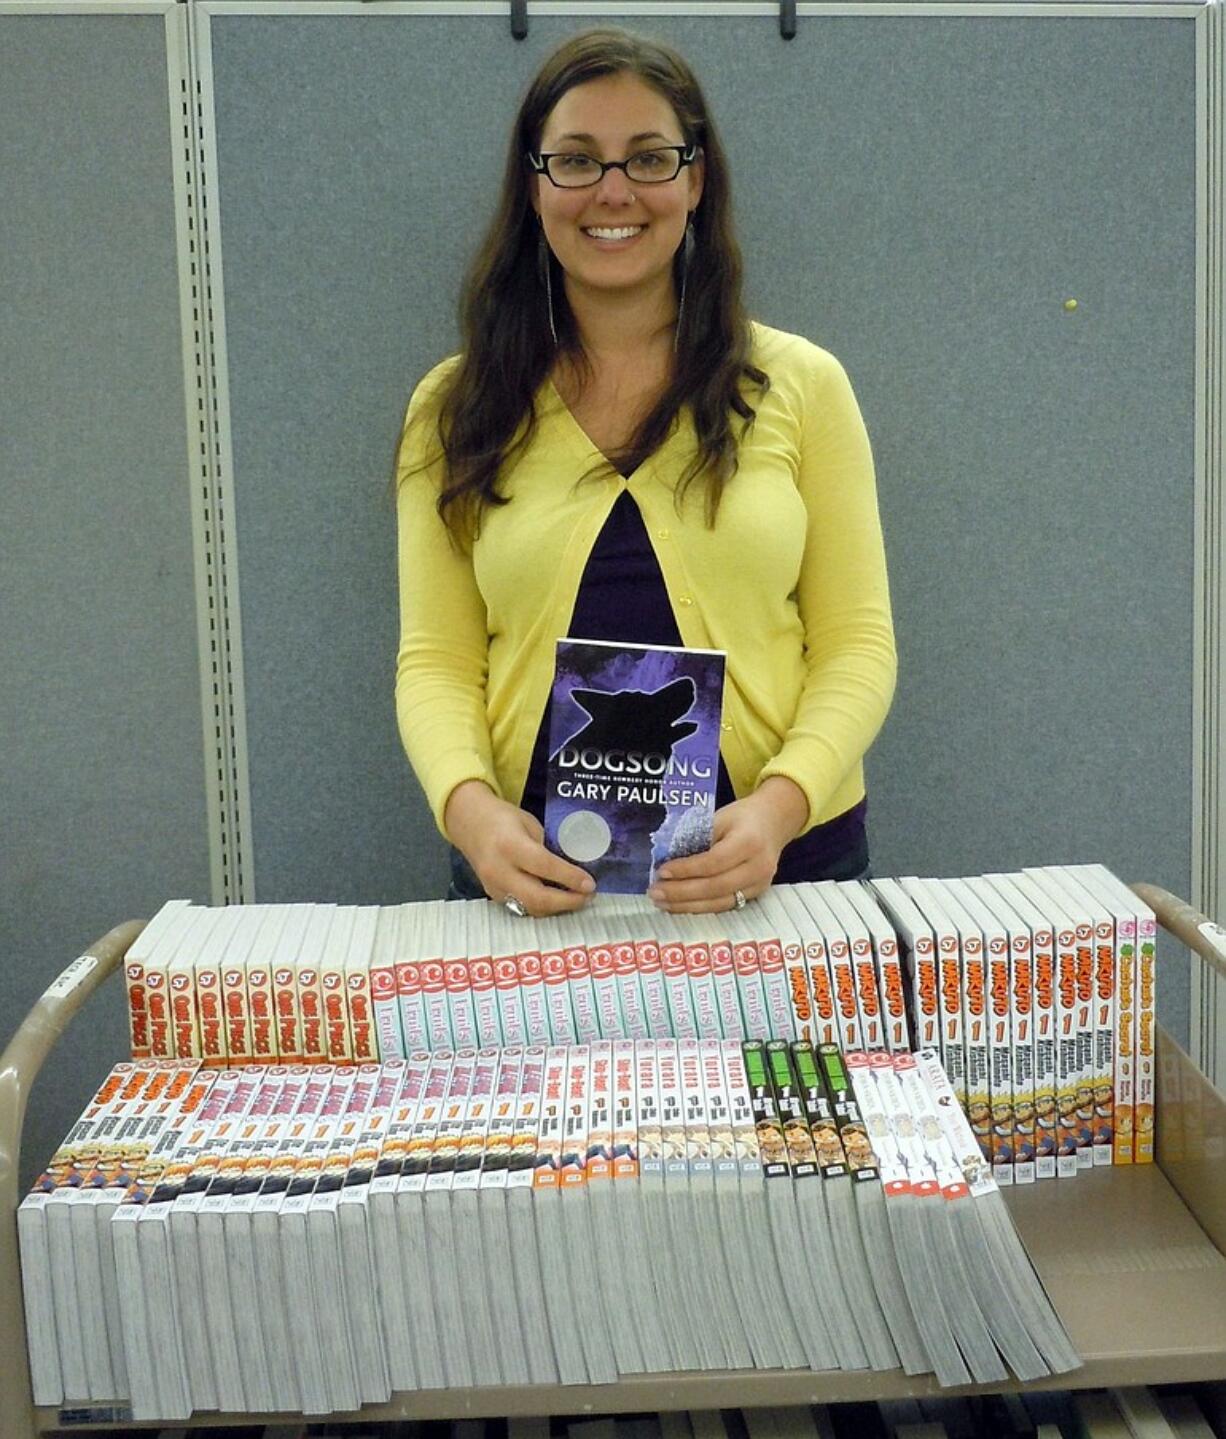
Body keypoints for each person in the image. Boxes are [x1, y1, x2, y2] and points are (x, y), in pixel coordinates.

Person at [395, 27, 896, 919]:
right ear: (533, 184)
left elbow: (858, 648)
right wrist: (470, 815)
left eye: (650, 158)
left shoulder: (803, 387)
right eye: (576, 161)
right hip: (532, 878)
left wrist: (780, 811)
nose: (614, 192)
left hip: (789, 870)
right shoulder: (454, 405)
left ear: (696, 180)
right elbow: (435, 662)